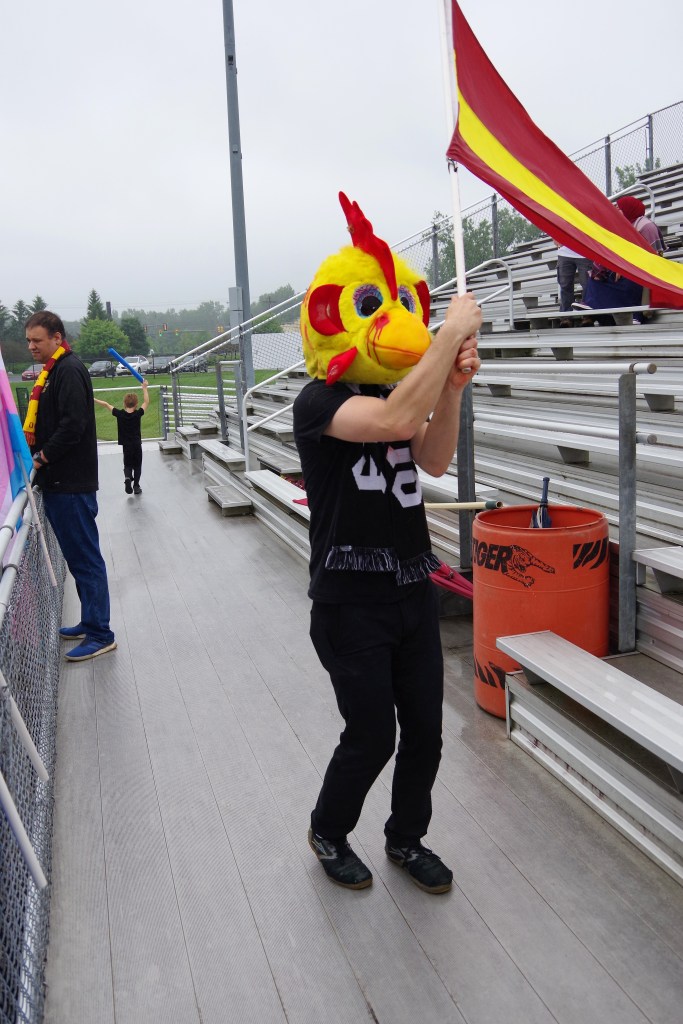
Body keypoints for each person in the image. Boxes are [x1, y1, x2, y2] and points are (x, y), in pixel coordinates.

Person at [293, 197, 482, 894]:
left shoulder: (396, 394)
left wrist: (452, 387)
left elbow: (431, 456)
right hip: (349, 601)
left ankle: (406, 837)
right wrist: (447, 336)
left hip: (409, 589)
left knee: (426, 732)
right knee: (372, 734)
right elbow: (398, 419)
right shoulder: (318, 402)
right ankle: (328, 828)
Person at [24, 311, 116, 662]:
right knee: (78, 560)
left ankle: (101, 633)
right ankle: (90, 621)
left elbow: (74, 424)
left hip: (71, 484)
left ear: (57, 338)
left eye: (37, 340)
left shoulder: (69, 370)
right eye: (29, 340)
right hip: (61, 483)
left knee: (86, 560)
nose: (31, 346)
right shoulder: (53, 371)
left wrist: (41, 457)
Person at [579, 195, 665, 325]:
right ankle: (593, 308)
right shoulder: (621, 227)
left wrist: (626, 267)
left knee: (631, 279)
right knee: (595, 277)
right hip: (622, 269)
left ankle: (635, 315)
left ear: (628, 208)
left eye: (618, 208)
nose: (616, 211)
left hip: (642, 271)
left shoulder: (646, 227)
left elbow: (654, 257)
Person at [95, 380, 149, 494]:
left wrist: (93, 399)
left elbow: (106, 404)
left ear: (124, 403)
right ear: (136, 404)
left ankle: (127, 478)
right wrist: (144, 388)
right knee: (137, 466)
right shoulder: (138, 414)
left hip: (126, 445)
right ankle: (136, 486)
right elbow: (146, 402)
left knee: (127, 465)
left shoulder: (119, 414)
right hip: (136, 444)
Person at [554, 242, 591, 326]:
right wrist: (555, 238)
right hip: (565, 252)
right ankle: (566, 316)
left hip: (585, 251)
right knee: (565, 285)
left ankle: (587, 315)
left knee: (587, 284)